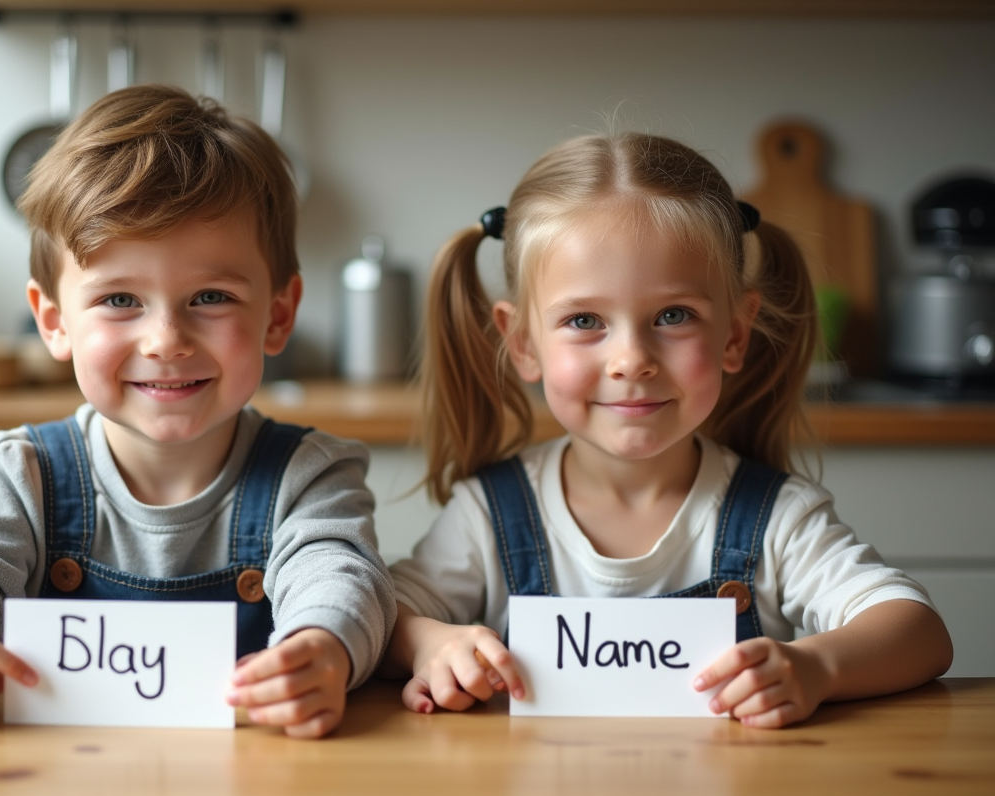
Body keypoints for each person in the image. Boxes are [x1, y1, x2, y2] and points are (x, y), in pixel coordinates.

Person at [0, 85, 396, 739]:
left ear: (278, 315)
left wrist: (325, 647)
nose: (165, 340)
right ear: (54, 323)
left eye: (210, 295)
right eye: (120, 300)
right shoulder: (19, 472)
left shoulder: (310, 475)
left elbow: (343, 576)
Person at [383, 133, 953, 728]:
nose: (632, 359)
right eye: (584, 320)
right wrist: (429, 643)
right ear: (523, 344)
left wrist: (817, 667)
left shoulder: (778, 517)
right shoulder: (488, 514)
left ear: (734, 334)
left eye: (673, 316)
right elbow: (384, 613)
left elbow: (918, 631)